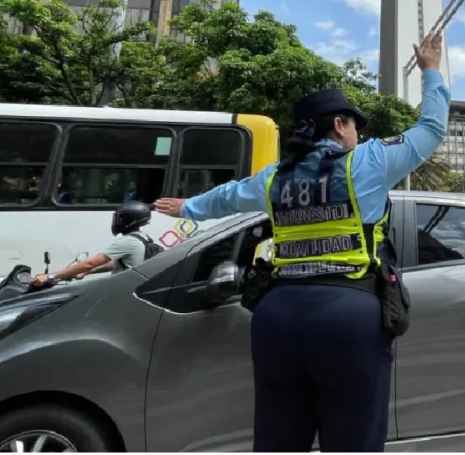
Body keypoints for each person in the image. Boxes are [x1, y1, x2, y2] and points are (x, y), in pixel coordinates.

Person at [153, 35, 449, 452]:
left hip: (277, 319)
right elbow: (432, 128)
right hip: (349, 316)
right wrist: (431, 70)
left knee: (279, 439)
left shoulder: (275, 176)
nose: (357, 136)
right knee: (353, 440)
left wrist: (186, 207)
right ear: (340, 125)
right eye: (354, 127)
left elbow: (227, 196)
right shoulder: (369, 161)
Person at [30, 201, 160, 285]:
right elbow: (113, 264)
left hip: (121, 292)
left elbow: (89, 263)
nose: (116, 221)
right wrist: (87, 272)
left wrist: (49, 276)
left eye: (120, 218)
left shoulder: (127, 242)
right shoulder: (143, 238)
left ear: (129, 220)